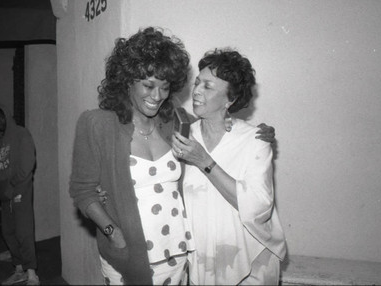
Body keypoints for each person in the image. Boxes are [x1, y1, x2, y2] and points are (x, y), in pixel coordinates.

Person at [69, 27, 275, 285]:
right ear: (127, 80)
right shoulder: (97, 124)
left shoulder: (174, 122)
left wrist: (261, 134)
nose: (157, 96)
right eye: (148, 85)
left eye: (165, 87)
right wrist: (113, 233)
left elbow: (215, 127)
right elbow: (82, 190)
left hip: (177, 254)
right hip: (128, 256)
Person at [172, 48, 286, 285]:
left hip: (249, 269)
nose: (196, 92)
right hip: (200, 265)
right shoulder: (183, 137)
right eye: (197, 83)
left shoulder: (254, 141)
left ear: (230, 99)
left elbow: (257, 206)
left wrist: (204, 162)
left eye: (209, 86)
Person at [0, 104, 40, 286]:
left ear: (7, 116)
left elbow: (27, 165)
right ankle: (19, 270)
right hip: (6, 196)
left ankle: (32, 274)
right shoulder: (2, 141)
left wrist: (12, 185)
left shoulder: (21, 134)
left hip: (19, 192)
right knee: (8, 232)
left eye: (0, 117)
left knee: (23, 231)